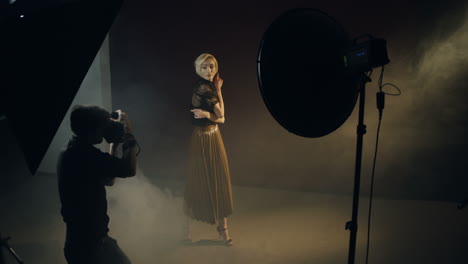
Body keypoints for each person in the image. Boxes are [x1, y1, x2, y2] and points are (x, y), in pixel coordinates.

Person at [57, 105, 137, 263]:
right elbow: (129, 169)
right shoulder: (86, 156)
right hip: (91, 248)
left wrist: (113, 144)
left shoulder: (73, 149)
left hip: (86, 241)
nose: (106, 130)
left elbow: (109, 179)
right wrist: (128, 134)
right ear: (91, 130)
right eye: (103, 127)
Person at [184, 53, 233, 245]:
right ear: (198, 69)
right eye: (204, 67)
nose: (209, 70)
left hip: (212, 136)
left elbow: (222, 119)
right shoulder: (204, 87)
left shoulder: (211, 87)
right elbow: (221, 116)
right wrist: (211, 113)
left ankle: (218, 230)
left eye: (212, 66)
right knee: (198, 180)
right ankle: (220, 232)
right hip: (203, 138)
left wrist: (219, 91)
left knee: (217, 179)